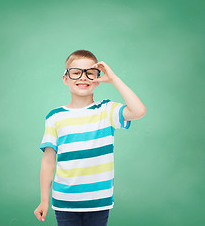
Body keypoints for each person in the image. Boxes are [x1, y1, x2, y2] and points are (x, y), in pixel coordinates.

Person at [34, 49, 147, 225]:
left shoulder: (107, 110)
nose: (83, 78)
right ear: (66, 79)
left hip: (98, 202)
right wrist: (44, 200)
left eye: (90, 73)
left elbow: (138, 111)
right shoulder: (54, 117)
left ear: (98, 80)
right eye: (76, 73)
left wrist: (114, 79)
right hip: (65, 202)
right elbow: (48, 160)